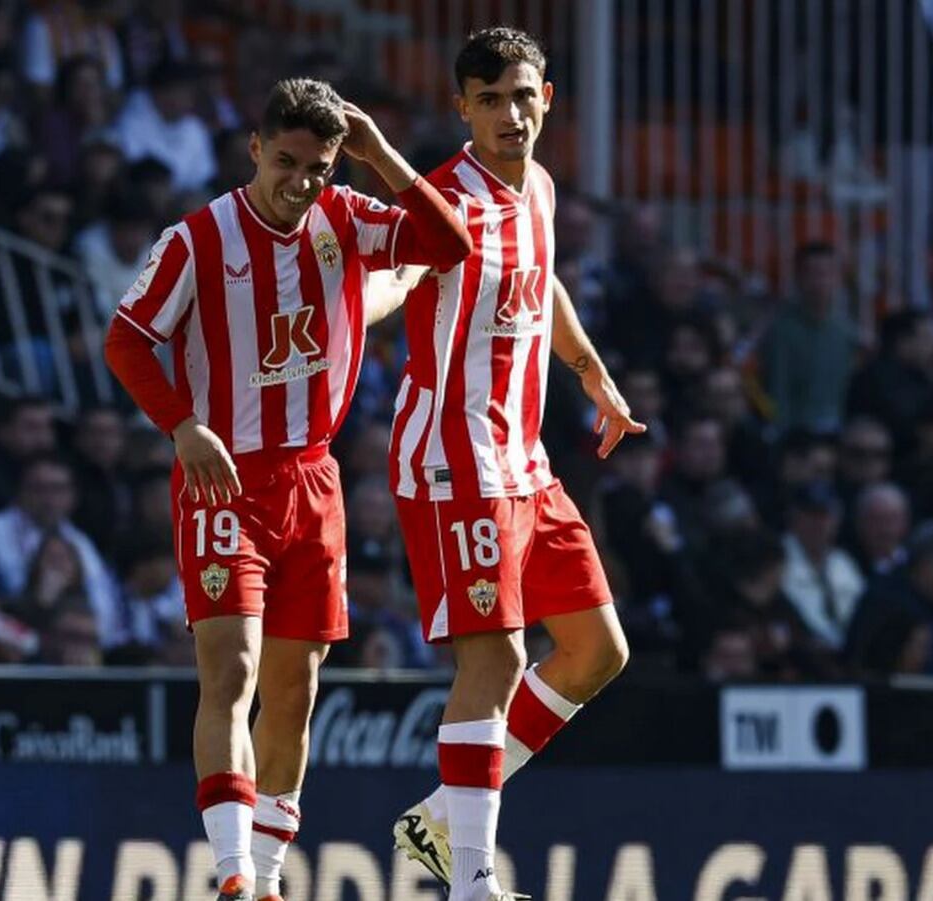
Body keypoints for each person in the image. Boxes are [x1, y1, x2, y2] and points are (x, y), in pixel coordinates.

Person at [105, 78, 471, 901]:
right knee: (229, 673)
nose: (300, 181)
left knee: (294, 692)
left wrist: (379, 155)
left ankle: (267, 877)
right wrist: (182, 425)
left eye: (319, 165)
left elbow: (447, 246)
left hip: (313, 477)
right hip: (223, 476)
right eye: (286, 162)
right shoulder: (198, 238)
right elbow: (127, 339)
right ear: (254, 151)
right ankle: (234, 873)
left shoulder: (345, 214)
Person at [376, 29, 639, 901]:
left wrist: (591, 371)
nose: (509, 115)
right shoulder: (441, 202)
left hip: (525, 458)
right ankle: (472, 881)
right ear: (463, 108)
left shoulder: (540, 191)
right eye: (489, 100)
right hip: (455, 460)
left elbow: (544, 279)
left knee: (598, 650)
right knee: (493, 662)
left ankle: (444, 820)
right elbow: (391, 279)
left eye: (522, 97)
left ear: (547, 98)